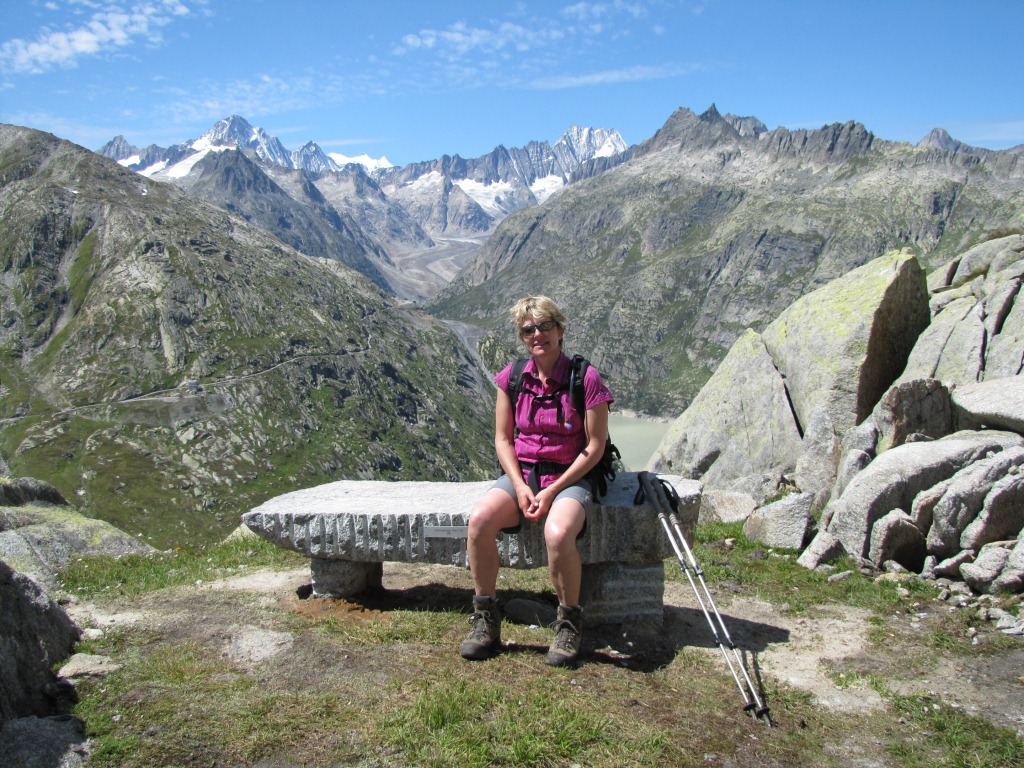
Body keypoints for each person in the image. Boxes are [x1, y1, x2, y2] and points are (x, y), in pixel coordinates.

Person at [460, 296, 614, 666]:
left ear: (560, 330)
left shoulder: (585, 378)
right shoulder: (511, 379)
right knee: (480, 519)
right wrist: (523, 485)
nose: (537, 334)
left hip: (570, 476)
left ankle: (568, 621)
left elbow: (594, 447)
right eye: (528, 329)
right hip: (524, 476)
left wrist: (552, 490)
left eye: (545, 326)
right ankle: (485, 616)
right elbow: (503, 439)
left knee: (558, 534)